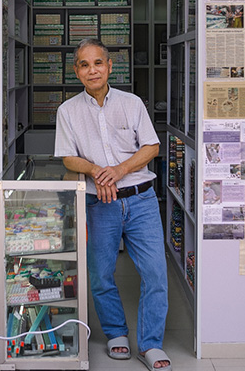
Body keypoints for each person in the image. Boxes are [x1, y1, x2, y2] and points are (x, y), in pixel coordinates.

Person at [54, 38, 170, 370]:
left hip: (141, 200)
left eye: (98, 63)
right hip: (97, 203)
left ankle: (150, 345)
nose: (93, 70)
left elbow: (151, 148)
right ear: (77, 71)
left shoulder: (132, 103)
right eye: (85, 65)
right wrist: (95, 171)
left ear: (109, 66)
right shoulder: (68, 111)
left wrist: (118, 171)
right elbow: (67, 157)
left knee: (155, 274)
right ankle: (116, 332)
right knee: (101, 274)